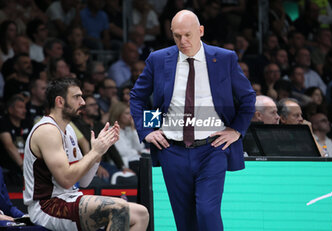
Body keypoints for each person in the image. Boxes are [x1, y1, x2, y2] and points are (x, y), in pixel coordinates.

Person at [130, 10, 255, 231]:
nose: (183, 41)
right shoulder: (158, 60)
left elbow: (247, 97)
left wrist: (236, 130)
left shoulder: (224, 58)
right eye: (177, 36)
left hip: (212, 148)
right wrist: (148, 130)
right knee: (184, 220)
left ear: (201, 31)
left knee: (207, 211)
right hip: (172, 150)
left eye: (188, 35)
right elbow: (139, 97)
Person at [23, 78, 149, 230]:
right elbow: (66, 179)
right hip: (48, 206)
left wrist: (99, 152)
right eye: (77, 97)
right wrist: (94, 151)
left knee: (141, 214)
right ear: (60, 101)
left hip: (70, 198)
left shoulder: (69, 130)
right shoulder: (47, 130)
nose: (82, 102)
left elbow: (83, 182)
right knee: (119, 208)